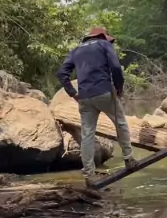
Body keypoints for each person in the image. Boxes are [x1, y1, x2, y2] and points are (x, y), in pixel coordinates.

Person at [56, 27, 137, 185]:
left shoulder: (76, 50)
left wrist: (73, 93)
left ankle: (89, 175)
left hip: (85, 97)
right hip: (104, 92)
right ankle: (128, 159)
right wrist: (119, 88)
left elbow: (61, 73)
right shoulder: (104, 44)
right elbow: (115, 68)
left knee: (87, 135)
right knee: (120, 124)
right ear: (102, 36)